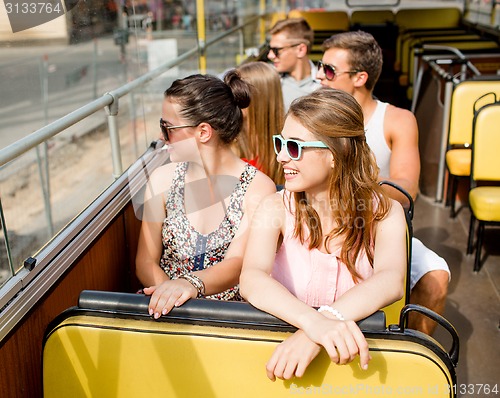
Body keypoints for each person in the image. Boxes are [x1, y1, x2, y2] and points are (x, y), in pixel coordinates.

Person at [240, 88, 407, 381]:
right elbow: (251, 278)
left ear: (335, 153)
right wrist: (315, 324)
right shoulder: (274, 208)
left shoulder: (385, 213)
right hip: (280, 360)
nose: (280, 156)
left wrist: (320, 327)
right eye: (280, 143)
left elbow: (391, 280)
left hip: (354, 365)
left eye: (294, 147)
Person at [317, 30, 450, 335]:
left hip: (376, 226)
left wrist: (350, 182)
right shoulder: (314, 114)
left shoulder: (396, 120)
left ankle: (411, 351)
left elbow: (405, 189)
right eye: (319, 68)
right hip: (320, 223)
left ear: (360, 78)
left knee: (435, 276)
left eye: (328, 70)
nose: (319, 77)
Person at [135, 71, 276, 319]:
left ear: (203, 132)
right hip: (163, 311)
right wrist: (167, 296)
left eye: (167, 128)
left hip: (227, 317)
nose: (161, 136)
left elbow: (236, 263)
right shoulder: (161, 180)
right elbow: (146, 260)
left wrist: (188, 285)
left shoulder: (258, 188)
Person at [235, 61, 285, 185]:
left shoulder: (288, 145)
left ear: (259, 99)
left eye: (239, 93)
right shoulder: (227, 139)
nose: (231, 99)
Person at [267, 17, 321, 111]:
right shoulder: (268, 81)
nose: (270, 55)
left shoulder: (325, 84)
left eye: (276, 50)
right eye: (269, 49)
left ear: (300, 50)